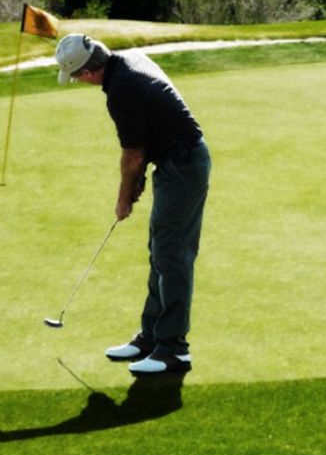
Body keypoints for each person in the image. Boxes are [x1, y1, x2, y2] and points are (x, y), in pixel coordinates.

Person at [53, 32, 210, 376]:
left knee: (172, 255)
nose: (79, 82)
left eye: (76, 77)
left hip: (183, 165)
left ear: (86, 72)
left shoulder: (121, 90)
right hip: (172, 162)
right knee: (160, 251)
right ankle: (152, 337)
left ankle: (173, 350)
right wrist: (137, 181)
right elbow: (148, 133)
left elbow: (133, 155)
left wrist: (124, 198)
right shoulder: (127, 61)